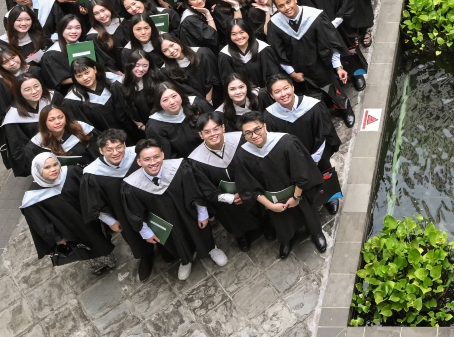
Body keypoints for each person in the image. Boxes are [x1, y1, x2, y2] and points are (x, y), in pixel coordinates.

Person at [121, 138, 229, 280]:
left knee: (200, 231)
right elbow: (134, 212)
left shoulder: (180, 167)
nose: (153, 162)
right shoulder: (131, 185)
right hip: (164, 222)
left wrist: (202, 213)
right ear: (139, 162)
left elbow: (195, 191)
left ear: (163, 155)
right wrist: (145, 231)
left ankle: (211, 249)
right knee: (174, 241)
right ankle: (185, 260)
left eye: (156, 156)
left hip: (189, 213)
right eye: (147, 159)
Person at [231, 111, 327, 259]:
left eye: (257, 129)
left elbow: (302, 171)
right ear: (243, 135)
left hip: (297, 192)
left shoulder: (286, 142)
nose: (254, 135)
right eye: (248, 133)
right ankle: (286, 240)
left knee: (308, 213)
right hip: (272, 200)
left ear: (265, 126)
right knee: (280, 221)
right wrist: (269, 205)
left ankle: (316, 233)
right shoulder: (243, 155)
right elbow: (248, 187)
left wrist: (296, 197)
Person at [268, 0, 356, 128]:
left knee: (332, 90)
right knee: (309, 98)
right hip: (298, 71)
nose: (286, 8)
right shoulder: (275, 24)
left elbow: (331, 42)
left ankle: (345, 109)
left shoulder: (315, 16)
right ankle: (322, 119)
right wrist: (291, 73)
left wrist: (338, 66)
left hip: (321, 66)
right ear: (277, 8)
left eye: (288, 2)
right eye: (281, 6)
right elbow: (277, 52)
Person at [81, 129, 158, 280]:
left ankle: (165, 248)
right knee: (133, 236)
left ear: (124, 144)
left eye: (119, 147)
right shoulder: (92, 174)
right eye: (109, 149)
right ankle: (146, 256)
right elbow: (94, 203)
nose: (115, 152)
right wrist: (111, 221)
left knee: (158, 223)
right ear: (101, 150)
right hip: (121, 212)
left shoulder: (137, 154)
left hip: (149, 203)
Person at [22, 152, 117, 274]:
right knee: (87, 247)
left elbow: (90, 191)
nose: (53, 169)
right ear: (37, 171)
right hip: (70, 230)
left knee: (100, 239)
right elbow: (40, 223)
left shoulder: (71, 172)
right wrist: (57, 237)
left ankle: (107, 258)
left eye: (56, 164)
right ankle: (97, 265)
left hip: (91, 217)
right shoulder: (33, 198)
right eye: (47, 167)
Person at [186, 113, 263, 251]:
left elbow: (255, 165)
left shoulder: (239, 139)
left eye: (216, 129)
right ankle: (241, 236)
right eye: (207, 132)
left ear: (223, 127)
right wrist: (232, 197)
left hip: (250, 189)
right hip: (225, 201)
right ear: (201, 134)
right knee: (232, 217)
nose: (213, 134)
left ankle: (264, 228)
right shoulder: (195, 160)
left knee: (258, 207)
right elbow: (206, 190)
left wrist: (246, 189)